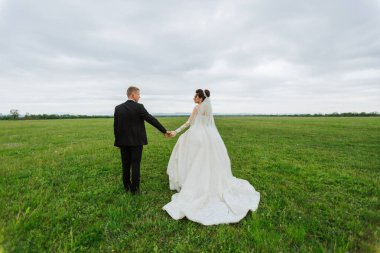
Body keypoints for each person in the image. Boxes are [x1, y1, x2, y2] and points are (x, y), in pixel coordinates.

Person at [163, 89, 260, 225]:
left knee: (190, 156)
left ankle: (191, 180)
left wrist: (176, 132)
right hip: (209, 136)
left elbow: (189, 123)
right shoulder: (209, 109)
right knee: (208, 161)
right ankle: (207, 179)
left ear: (200, 98)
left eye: (195, 96)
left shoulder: (197, 108)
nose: (193, 98)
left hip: (196, 136)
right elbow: (208, 123)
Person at [114, 86, 171, 195]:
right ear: (133, 95)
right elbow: (151, 119)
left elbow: (116, 126)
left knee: (125, 165)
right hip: (136, 142)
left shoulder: (118, 108)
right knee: (135, 165)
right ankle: (135, 191)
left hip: (123, 142)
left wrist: (118, 142)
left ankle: (126, 187)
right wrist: (164, 131)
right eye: (138, 94)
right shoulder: (139, 107)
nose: (139, 97)